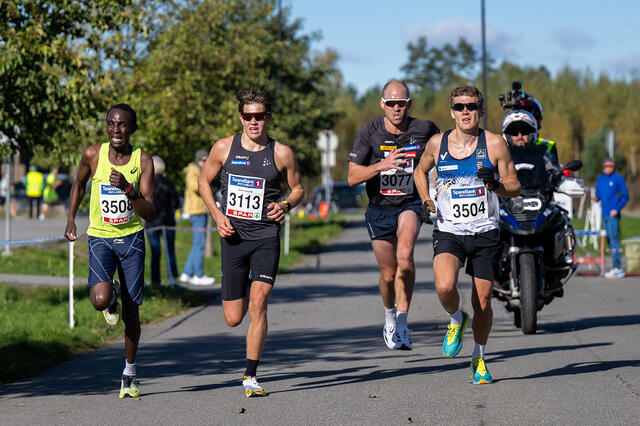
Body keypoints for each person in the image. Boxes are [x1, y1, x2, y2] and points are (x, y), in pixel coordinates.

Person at [198, 86, 304, 397]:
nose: (253, 122)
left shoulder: (282, 153)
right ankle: (241, 281)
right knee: (233, 318)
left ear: (268, 117)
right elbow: (203, 182)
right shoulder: (223, 148)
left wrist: (285, 205)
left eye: (259, 116)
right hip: (233, 238)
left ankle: (250, 375)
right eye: (247, 117)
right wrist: (217, 215)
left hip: (265, 237)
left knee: (259, 304)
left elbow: (298, 190)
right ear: (241, 117)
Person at [414, 85, 520, 384]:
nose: (465, 112)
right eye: (459, 107)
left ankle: (480, 356)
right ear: (452, 112)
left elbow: (515, 185)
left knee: (483, 301)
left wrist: (496, 185)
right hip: (449, 228)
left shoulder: (495, 144)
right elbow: (419, 172)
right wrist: (425, 200)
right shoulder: (438, 143)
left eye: (471, 106)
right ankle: (456, 320)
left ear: (481, 110)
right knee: (445, 286)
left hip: (485, 231)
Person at [64, 103, 155, 398]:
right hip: (100, 238)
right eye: (112, 124)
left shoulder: (143, 160)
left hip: (131, 239)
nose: (117, 130)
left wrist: (129, 189)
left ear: (133, 128)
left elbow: (151, 212)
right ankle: (111, 295)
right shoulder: (94, 154)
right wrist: (70, 219)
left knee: (132, 311)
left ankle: (129, 374)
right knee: (100, 300)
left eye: (123, 125)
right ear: (107, 127)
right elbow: (77, 185)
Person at [347, 80, 440, 350]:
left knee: (405, 257)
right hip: (379, 210)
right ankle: (389, 315)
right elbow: (353, 176)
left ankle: (402, 321)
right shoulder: (370, 132)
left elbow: (444, 150)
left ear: (409, 104)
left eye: (401, 103)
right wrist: (381, 165)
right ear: (382, 104)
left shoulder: (424, 129)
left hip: (409, 203)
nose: (396, 108)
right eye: (391, 103)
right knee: (388, 275)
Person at [179, 149, 215, 286]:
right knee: (199, 245)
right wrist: (205, 183)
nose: (206, 163)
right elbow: (195, 186)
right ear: (198, 160)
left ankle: (186, 273)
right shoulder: (193, 170)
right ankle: (198, 275)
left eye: (208, 160)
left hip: (201, 210)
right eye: (204, 160)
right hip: (197, 211)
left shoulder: (198, 170)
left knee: (197, 244)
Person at [145, 155, 180, 288]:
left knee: (155, 252)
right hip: (167, 221)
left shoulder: (146, 182)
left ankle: (156, 281)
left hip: (151, 222)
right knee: (169, 251)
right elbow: (175, 202)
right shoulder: (167, 182)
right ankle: (173, 279)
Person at [594, 158, 629, 279]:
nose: (608, 168)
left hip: (613, 215)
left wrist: (617, 208)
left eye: (611, 166)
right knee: (608, 240)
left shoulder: (618, 178)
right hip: (604, 214)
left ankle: (618, 267)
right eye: (607, 165)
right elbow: (599, 194)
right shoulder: (600, 178)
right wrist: (596, 197)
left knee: (614, 239)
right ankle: (614, 266)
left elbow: (625, 196)